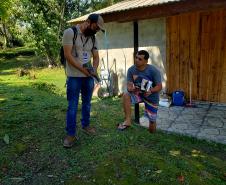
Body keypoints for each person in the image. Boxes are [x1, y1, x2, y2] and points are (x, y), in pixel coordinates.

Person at [62, 13, 105, 148]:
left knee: (87, 104)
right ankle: (70, 135)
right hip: (74, 77)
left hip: (88, 78)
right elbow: (68, 55)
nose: (96, 30)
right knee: (72, 106)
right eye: (95, 27)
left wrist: (94, 69)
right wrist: (82, 70)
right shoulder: (70, 33)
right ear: (87, 21)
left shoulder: (93, 38)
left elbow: (96, 57)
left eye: (98, 29)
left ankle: (85, 125)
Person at [117, 50, 162, 133]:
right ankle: (128, 120)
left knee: (152, 121)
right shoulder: (131, 70)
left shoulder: (153, 71)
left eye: (140, 59)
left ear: (146, 61)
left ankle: (152, 135)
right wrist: (130, 88)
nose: (136, 60)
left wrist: (151, 90)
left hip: (151, 96)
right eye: (136, 57)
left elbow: (159, 87)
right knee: (126, 95)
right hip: (138, 94)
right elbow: (129, 85)